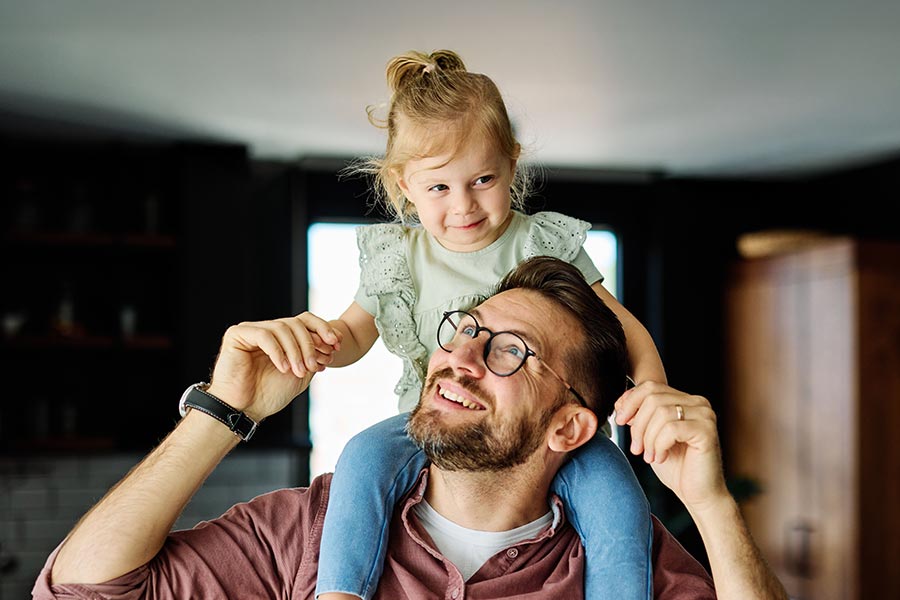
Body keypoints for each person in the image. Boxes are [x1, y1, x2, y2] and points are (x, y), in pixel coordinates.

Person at [33, 256, 788, 599]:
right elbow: (82, 591)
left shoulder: (628, 563)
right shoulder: (306, 532)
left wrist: (713, 507)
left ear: (568, 427)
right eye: (465, 329)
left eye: (508, 351)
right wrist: (224, 414)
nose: (457, 356)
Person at [295, 49, 667, 600]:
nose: (464, 205)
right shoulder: (399, 256)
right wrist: (321, 343)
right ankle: (340, 591)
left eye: (483, 179)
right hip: (429, 422)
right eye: (438, 188)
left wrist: (651, 389)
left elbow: (623, 327)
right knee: (361, 459)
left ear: (512, 164)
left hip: (543, 425)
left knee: (617, 497)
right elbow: (354, 332)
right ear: (403, 185)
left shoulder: (538, 242)